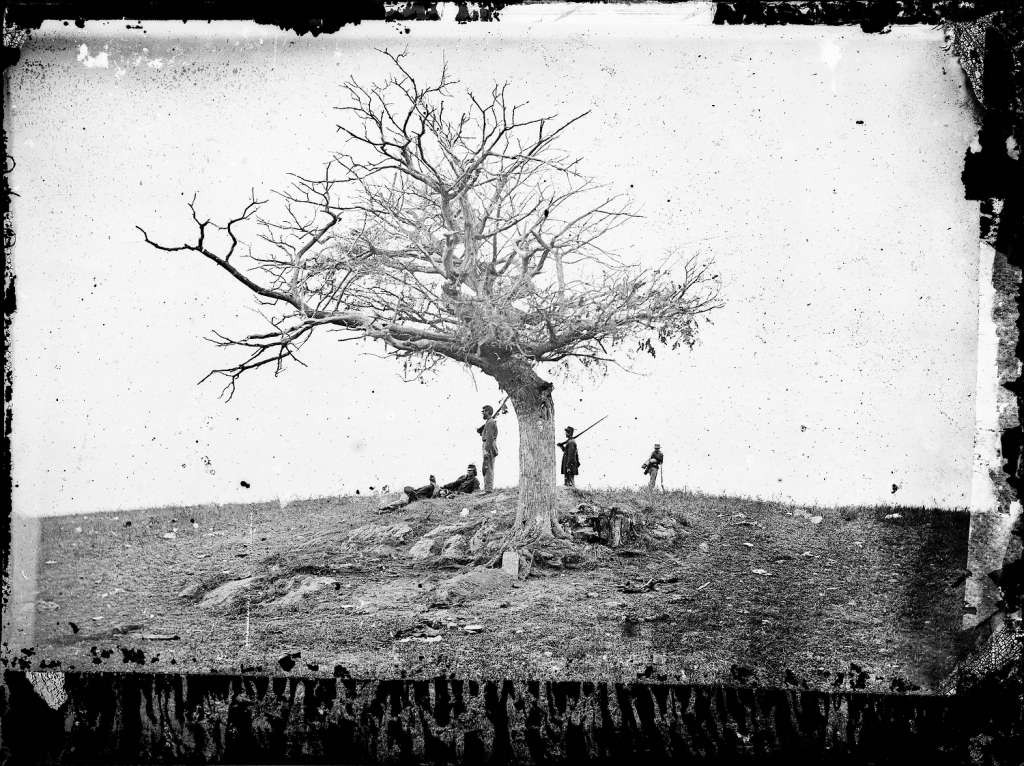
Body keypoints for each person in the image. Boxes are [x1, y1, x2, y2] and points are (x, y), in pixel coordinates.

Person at [477, 404, 498, 493]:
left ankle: (488, 490)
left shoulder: (490, 422)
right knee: (487, 467)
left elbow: (489, 437)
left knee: (487, 467)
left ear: (488, 412)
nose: (483, 413)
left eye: (484, 411)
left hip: (488, 445)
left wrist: (486, 450)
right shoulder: (489, 422)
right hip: (488, 445)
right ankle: (488, 489)